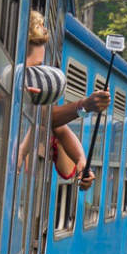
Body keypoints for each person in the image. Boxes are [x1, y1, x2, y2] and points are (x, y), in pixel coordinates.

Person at [23, 11, 109, 190]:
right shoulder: (6, 84)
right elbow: (43, 117)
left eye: (40, 69)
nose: (37, 78)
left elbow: (56, 127)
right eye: (32, 69)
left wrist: (81, 162)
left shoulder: (27, 95)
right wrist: (84, 105)